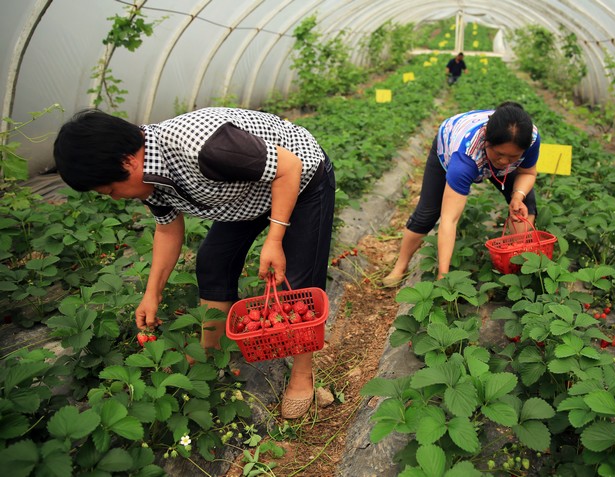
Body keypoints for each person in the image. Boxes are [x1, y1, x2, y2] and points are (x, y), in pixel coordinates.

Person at [53, 107, 335, 419]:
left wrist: (274, 239)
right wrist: (152, 293)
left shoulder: (201, 146)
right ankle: (209, 356)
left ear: (127, 162)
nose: (116, 198)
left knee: (296, 280)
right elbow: (167, 228)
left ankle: (302, 373)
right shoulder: (148, 175)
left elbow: (289, 168)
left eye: (110, 190)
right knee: (213, 261)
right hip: (242, 195)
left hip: (301, 179)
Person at [383, 101, 539, 286]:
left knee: (525, 206)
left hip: (487, 154)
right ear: (487, 141)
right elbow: (449, 219)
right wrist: (444, 276)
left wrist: (517, 196)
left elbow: (527, 172)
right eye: (499, 154)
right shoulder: (464, 159)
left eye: (513, 157)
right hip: (450, 143)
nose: (505, 161)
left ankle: (515, 265)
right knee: (427, 214)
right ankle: (400, 266)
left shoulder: (529, 139)